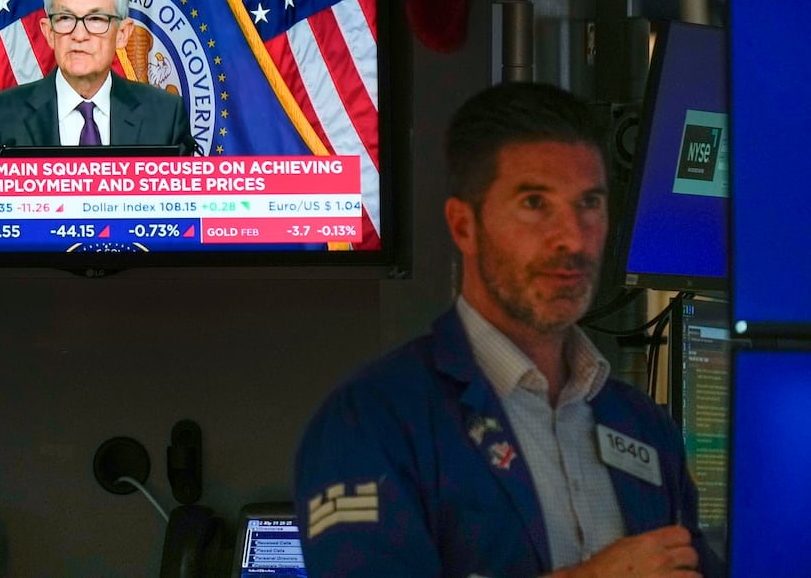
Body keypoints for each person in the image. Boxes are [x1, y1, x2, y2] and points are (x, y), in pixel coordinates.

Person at [294, 82, 722, 578]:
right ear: (463, 226)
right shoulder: (371, 421)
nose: (571, 237)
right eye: (535, 203)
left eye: (589, 203)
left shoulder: (642, 423)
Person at [0, 0, 196, 157]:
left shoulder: (165, 114)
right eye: (66, 18)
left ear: (122, 34)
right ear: (49, 33)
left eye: (96, 19)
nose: (79, 35)